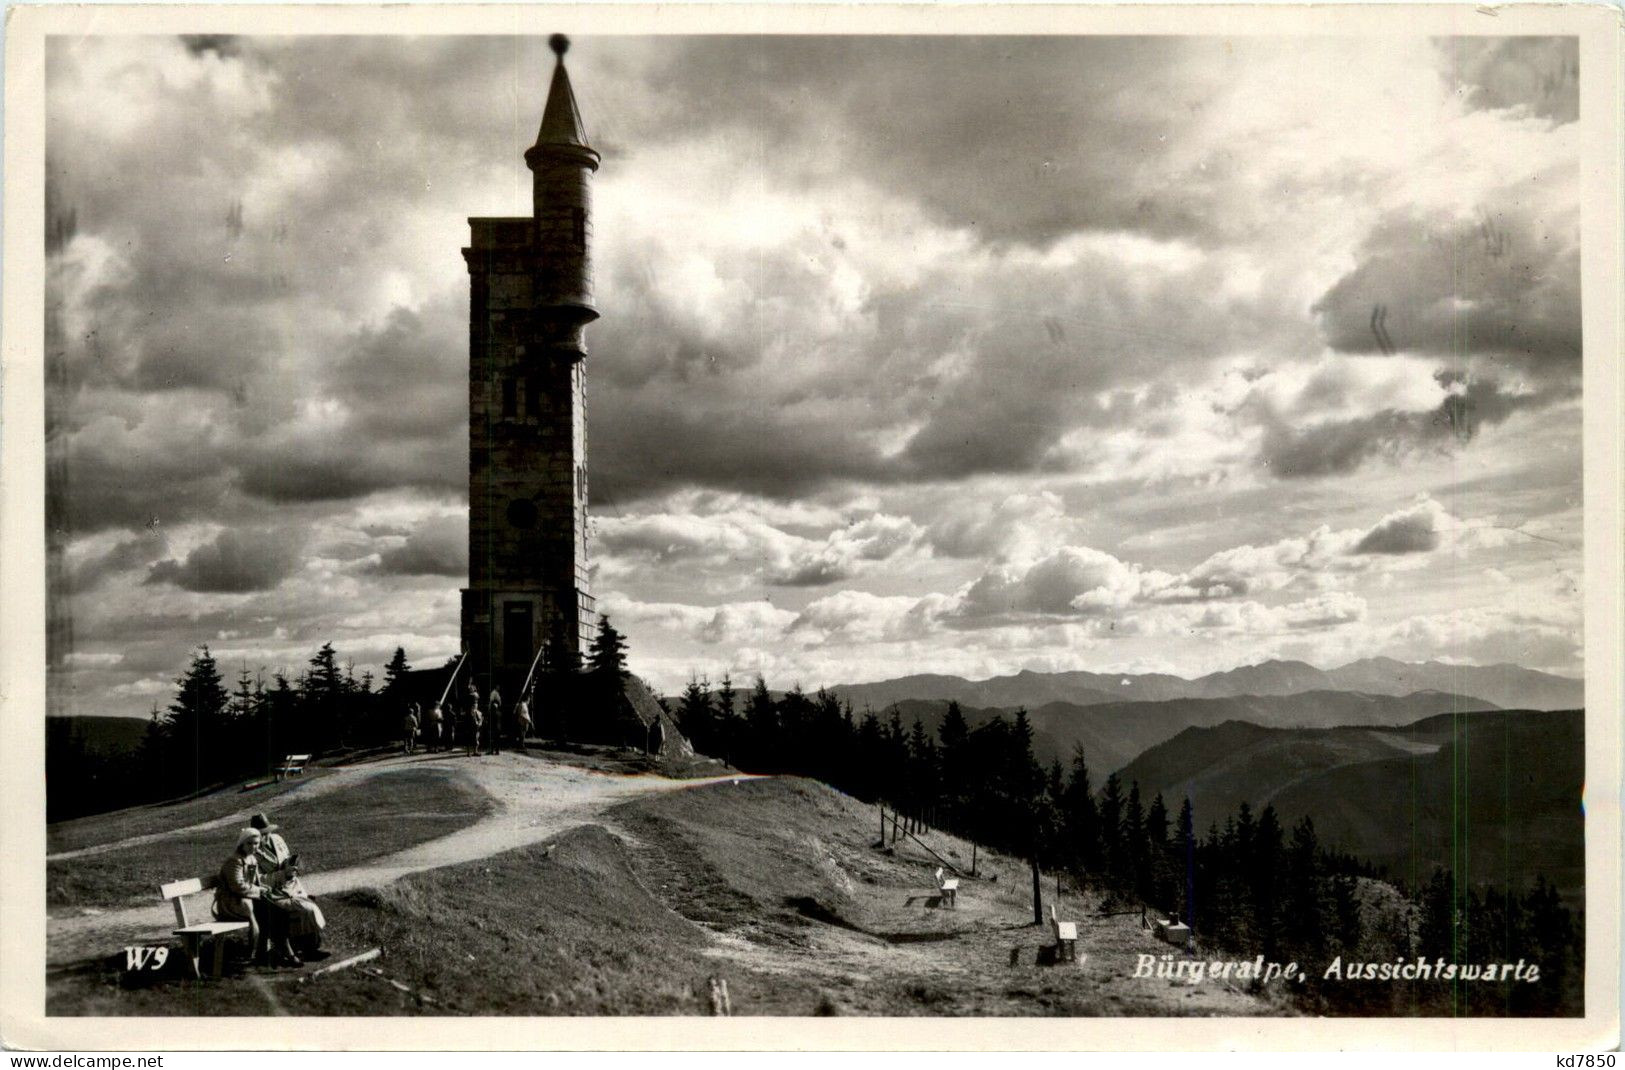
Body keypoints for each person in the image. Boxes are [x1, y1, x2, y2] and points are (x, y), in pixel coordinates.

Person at [214, 828, 301, 967]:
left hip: (247, 901)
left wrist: (262, 887)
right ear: (241, 844)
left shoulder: (252, 859)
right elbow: (238, 886)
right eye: (249, 843)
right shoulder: (235, 861)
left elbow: (253, 882)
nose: (253, 847)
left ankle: (276, 951)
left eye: (256, 843)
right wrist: (259, 890)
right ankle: (280, 952)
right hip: (232, 903)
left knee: (280, 913)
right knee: (267, 914)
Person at [249, 812, 326, 954]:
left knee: (309, 907)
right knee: (306, 909)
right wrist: (282, 874)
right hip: (271, 894)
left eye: (267, 833)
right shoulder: (251, 851)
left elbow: (286, 858)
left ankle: (309, 946)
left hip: (291, 886)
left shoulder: (277, 839)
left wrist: (291, 866)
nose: (265, 837)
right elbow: (257, 882)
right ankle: (297, 947)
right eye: (261, 834)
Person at [487, 687, 503, 756]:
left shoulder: (492, 713)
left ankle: (492, 750)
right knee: (497, 739)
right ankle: (497, 751)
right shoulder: (499, 713)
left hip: (494, 727)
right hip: (498, 727)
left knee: (493, 738)